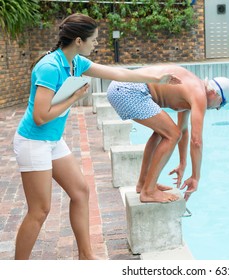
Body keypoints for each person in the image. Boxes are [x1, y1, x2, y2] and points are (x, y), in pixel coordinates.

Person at [12, 13, 181, 260]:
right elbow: (40, 116)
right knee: (39, 210)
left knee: (80, 192)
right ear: (79, 40)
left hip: (53, 140)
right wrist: (73, 98)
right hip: (33, 141)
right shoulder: (49, 67)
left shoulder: (75, 62)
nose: (97, 44)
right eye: (94, 39)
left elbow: (118, 74)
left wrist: (155, 78)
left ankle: (86, 256)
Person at [106, 65, 229, 203]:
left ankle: (143, 183)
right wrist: (195, 177)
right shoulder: (199, 94)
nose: (218, 109)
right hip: (128, 90)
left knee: (163, 133)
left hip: (120, 86)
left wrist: (182, 163)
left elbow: (183, 130)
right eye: (221, 104)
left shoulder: (192, 89)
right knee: (171, 134)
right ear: (215, 93)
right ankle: (148, 191)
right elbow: (196, 141)